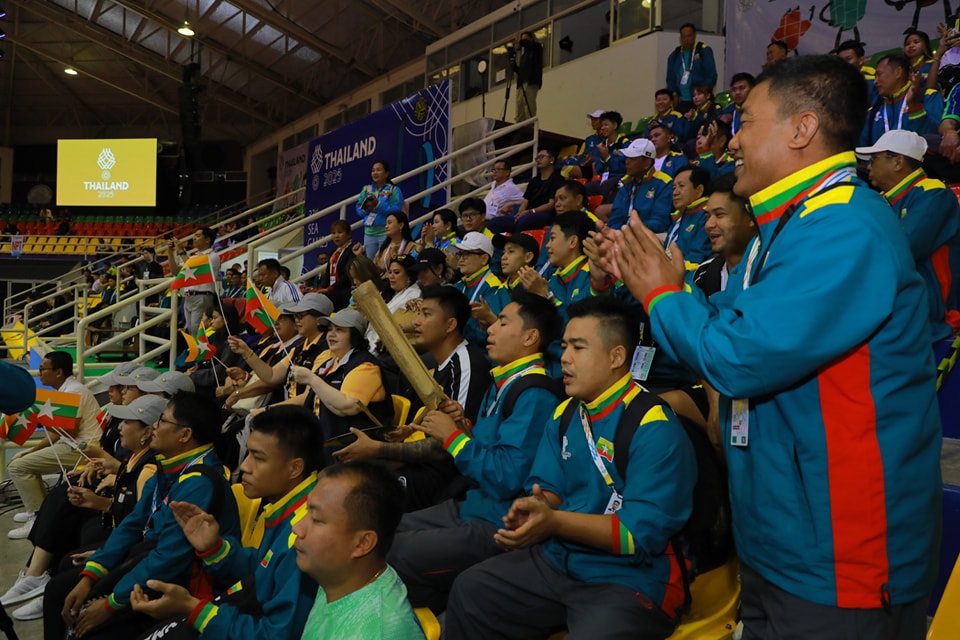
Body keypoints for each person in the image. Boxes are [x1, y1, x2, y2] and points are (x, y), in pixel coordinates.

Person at [596, 54, 941, 638]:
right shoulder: (790, 225)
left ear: (802, 129)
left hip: (838, 562)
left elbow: (737, 357)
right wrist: (673, 287)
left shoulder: (843, 226)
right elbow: (734, 330)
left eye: (747, 122)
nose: (733, 141)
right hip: (782, 545)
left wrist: (661, 294)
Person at [444, 297, 696, 639]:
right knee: (472, 589)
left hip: (629, 578)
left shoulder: (653, 426)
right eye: (564, 347)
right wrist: (537, 508)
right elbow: (550, 489)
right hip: (561, 559)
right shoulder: (564, 414)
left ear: (616, 357)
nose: (564, 358)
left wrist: (554, 521)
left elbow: (635, 536)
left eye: (578, 348)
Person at [387, 292, 562, 611]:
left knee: (395, 552)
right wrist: (463, 428)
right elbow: (488, 451)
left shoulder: (534, 393)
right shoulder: (503, 382)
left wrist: (453, 438)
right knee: (383, 528)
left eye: (503, 322)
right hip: (473, 505)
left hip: (498, 520)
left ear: (530, 337)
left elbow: (505, 478)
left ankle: (436, 618)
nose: (489, 329)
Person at [47, 392, 241, 640]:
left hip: (184, 585)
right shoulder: (169, 466)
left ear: (184, 435)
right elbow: (133, 524)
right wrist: (93, 573)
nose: (155, 427)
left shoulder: (199, 482)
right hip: (151, 560)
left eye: (162, 420)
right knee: (63, 587)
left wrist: (111, 604)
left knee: (82, 618)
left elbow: (169, 558)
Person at [130, 406, 322, 640]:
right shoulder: (291, 507)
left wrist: (193, 608)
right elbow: (264, 568)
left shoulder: (305, 533)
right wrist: (214, 548)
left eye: (258, 458)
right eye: (248, 454)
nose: (245, 466)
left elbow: (277, 635)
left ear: (295, 468)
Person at [0, 395, 162, 622]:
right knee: (64, 501)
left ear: (148, 432)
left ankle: (53, 587)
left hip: (130, 542)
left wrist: (103, 503)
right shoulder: (137, 457)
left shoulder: (153, 469)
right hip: (121, 522)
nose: (120, 427)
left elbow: (140, 523)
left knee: (74, 545)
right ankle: (38, 574)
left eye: (127, 422)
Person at [290, 462, 425, 639]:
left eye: (316, 519)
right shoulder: (341, 576)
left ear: (363, 543)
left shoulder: (372, 632)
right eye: (307, 511)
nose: (297, 528)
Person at [857, 129, 960, 341]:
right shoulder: (884, 200)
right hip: (897, 314)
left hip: (929, 319)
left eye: (874, 159)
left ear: (897, 162)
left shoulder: (933, 192)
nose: (868, 167)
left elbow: (903, 247)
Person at [279, 309, 393, 463]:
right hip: (323, 442)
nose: (331, 335)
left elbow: (348, 406)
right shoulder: (331, 363)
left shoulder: (366, 365)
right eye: (330, 329)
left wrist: (312, 379)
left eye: (339, 330)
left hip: (353, 451)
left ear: (354, 336)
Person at [8, 351, 101, 540]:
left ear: (58, 372)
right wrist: (31, 451)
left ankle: (36, 517)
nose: (39, 372)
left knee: (17, 467)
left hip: (82, 450)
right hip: (71, 445)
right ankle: (40, 510)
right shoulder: (65, 390)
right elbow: (57, 434)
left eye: (43, 369)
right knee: (22, 461)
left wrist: (39, 417)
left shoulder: (74, 391)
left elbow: (69, 432)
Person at [228, 293, 333, 401]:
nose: (297, 320)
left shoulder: (326, 348)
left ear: (319, 319)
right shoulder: (300, 346)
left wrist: (268, 409)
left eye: (301, 315)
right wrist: (245, 351)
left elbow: (308, 397)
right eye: (296, 316)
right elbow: (272, 376)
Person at [515, 211, 594, 319]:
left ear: (572, 242)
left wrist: (545, 295)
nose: (547, 245)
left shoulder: (593, 277)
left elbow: (573, 322)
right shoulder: (553, 279)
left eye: (552, 238)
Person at [691, 174, 757, 298]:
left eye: (719, 214)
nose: (708, 225)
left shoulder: (769, 269)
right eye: (707, 217)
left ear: (750, 217)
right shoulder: (703, 274)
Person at [860, 53, 943, 147]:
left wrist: (914, 107)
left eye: (879, 74)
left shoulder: (928, 96)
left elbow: (933, 137)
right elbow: (862, 149)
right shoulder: (872, 112)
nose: (875, 82)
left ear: (898, 72)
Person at [606, 138, 673, 232]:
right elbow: (615, 219)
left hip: (648, 235)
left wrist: (630, 230)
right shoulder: (625, 182)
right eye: (627, 157)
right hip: (623, 234)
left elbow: (659, 222)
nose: (627, 162)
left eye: (632, 158)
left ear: (647, 163)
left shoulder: (664, 183)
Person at [453, 232, 507, 349]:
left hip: (479, 351)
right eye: (460, 254)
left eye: (467, 254)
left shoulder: (494, 287)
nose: (461, 259)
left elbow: (486, 336)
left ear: (484, 259)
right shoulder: (459, 285)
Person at [493, 149, 564, 233]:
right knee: (495, 222)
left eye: (542, 157)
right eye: (537, 158)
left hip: (546, 214)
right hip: (528, 212)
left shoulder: (557, 179)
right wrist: (520, 212)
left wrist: (531, 211)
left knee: (524, 221)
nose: (539, 160)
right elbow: (526, 200)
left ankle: (517, 240)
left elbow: (550, 205)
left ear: (551, 159)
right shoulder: (534, 180)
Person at [167, 227, 220, 336]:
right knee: (191, 332)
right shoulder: (193, 257)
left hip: (202, 296)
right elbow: (175, 271)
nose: (194, 238)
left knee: (198, 332)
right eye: (194, 236)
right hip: (188, 297)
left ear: (207, 239)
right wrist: (170, 253)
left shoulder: (213, 256)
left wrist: (181, 250)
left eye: (198, 236)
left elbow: (193, 270)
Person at [367, 254, 422, 351]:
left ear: (409, 275)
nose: (391, 276)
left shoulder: (414, 294)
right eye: (389, 272)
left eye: (396, 272)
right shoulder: (386, 293)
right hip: (369, 340)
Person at [663, 166, 713, 267]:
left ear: (699, 190)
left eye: (681, 186)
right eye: (674, 188)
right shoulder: (680, 216)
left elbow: (697, 259)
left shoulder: (706, 215)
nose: (675, 192)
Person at [356, 160, 404, 260]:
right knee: (372, 264)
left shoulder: (393, 190)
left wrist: (378, 205)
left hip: (386, 233)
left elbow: (396, 210)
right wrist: (366, 209)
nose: (375, 173)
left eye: (378, 170)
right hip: (369, 234)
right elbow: (358, 209)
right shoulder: (366, 189)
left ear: (386, 173)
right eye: (373, 170)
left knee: (386, 262)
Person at [666, 23, 717, 112]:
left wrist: (703, 94)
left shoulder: (703, 50)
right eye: (683, 37)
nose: (686, 39)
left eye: (688, 36)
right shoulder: (675, 55)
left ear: (694, 35)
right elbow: (670, 79)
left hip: (700, 101)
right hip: (681, 101)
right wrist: (674, 94)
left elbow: (711, 75)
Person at [584, 111, 631, 203]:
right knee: (584, 188)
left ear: (615, 125)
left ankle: (604, 210)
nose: (603, 128)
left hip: (619, 179)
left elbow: (622, 167)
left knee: (607, 186)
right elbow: (598, 168)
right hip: (604, 179)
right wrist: (602, 159)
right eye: (602, 125)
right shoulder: (602, 145)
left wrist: (607, 158)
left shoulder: (624, 143)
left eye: (606, 125)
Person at [317, 219, 356, 310]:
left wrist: (330, 289)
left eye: (340, 232)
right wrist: (320, 288)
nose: (336, 236)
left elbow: (347, 276)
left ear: (348, 234)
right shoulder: (333, 253)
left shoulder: (352, 251)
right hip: (333, 290)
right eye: (333, 233)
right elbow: (328, 274)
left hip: (345, 290)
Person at [482, 159, 525, 227]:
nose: (495, 171)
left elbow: (525, 200)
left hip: (493, 222)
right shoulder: (493, 184)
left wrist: (510, 204)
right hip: (482, 219)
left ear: (507, 172)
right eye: (494, 169)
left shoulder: (511, 187)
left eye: (498, 169)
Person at [513, 30, 543, 121]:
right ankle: (519, 122)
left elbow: (531, 45)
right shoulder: (523, 56)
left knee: (529, 101)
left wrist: (521, 42)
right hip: (522, 82)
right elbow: (521, 71)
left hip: (531, 80)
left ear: (531, 39)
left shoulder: (537, 48)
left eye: (526, 39)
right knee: (519, 102)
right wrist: (513, 66)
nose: (523, 42)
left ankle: (530, 122)